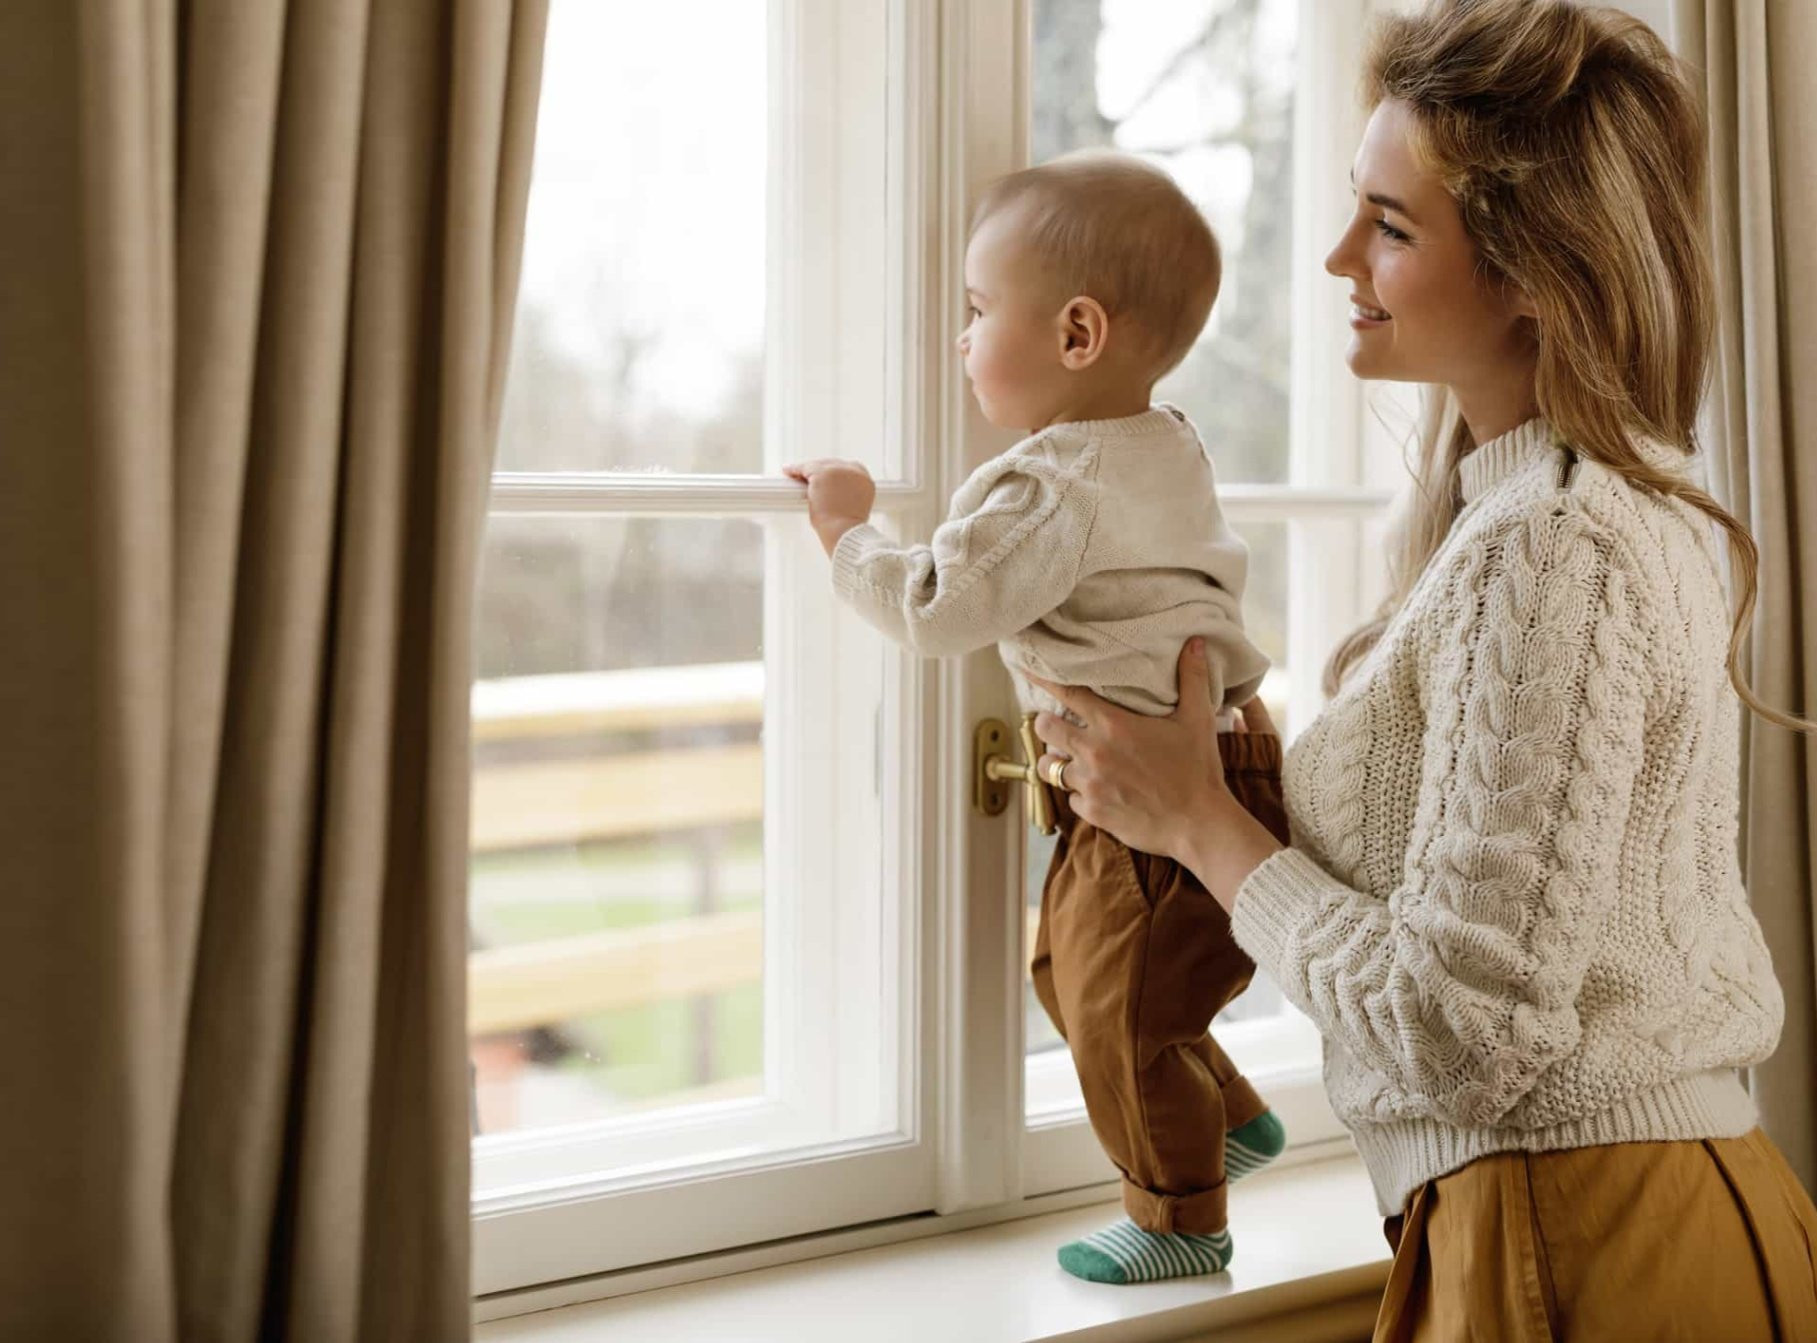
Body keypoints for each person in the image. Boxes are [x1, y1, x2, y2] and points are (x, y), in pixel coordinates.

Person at [1028, 1, 1817, 1336]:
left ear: (1531, 269)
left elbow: (1461, 1026)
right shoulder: (1558, 510)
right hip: (1598, 1218)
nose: (1339, 255)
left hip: (1591, 1238)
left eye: (1390, 227)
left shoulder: (1554, 543)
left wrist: (1199, 823)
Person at [784, 151, 1293, 1284]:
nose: (958, 341)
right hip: (1210, 758)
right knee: (1075, 976)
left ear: (1074, 334)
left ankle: (1179, 1219)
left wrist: (846, 530)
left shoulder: (1052, 481)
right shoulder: (1164, 443)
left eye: (974, 312)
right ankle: (1232, 1112)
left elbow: (939, 605)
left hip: (1162, 791)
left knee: (1114, 1004)